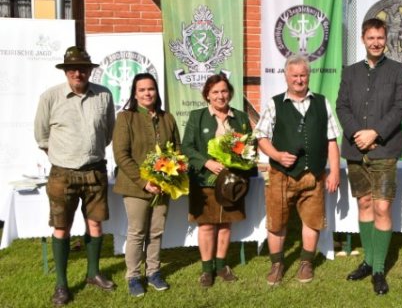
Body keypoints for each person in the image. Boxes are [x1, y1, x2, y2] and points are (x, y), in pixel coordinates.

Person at [34, 46, 116, 305]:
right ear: (66, 71)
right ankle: (62, 284)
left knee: (95, 224)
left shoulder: (103, 95)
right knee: (61, 227)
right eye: (72, 69)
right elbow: (41, 135)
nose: (78, 73)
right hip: (62, 174)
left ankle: (93, 273)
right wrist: (62, 156)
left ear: (90, 70)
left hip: (95, 170)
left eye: (83, 68)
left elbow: (109, 131)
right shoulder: (50, 97)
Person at [336, 18, 402, 295]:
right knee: (364, 203)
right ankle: (367, 260)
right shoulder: (350, 72)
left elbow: (400, 108)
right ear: (363, 39)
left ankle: (378, 268)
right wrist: (358, 133)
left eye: (380, 38)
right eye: (371, 38)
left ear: (386, 39)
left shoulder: (400, 71)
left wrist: (374, 133)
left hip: (384, 149)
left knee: (381, 207)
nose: (376, 42)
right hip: (355, 149)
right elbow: (341, 105)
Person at [255, 53, 340, 286]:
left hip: (313, 174)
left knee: (312, 221)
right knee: (277, 221)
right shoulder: (274, 103)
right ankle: (277, 264)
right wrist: (277, 155)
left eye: (303, 75)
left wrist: (335, 171)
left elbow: (331, 139)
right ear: (286, 77)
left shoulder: (322, 102)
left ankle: (305, 262)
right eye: (295, 76)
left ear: (308, 76)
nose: (299, 80)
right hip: (281, 175)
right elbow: (260, 136)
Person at [112, 73, 180, 297]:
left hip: (163, 186)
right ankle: (133, 276)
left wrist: (174, 171)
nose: (147, 93)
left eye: (150, 89)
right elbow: (121, 155)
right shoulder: (126, 118)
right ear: (135, 93)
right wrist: (144, 182)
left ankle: (153, 272)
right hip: (135, 187)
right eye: (142, 90)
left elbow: (176, 150)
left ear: (156, 91)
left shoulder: (167, 118)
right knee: (137, 232)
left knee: (156, 231)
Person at [182, 74, 253, 287]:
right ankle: (206, 270)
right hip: (205, 180)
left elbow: (250, 147)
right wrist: (206, 162)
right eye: (215, 92)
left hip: (232, 182)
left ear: (229, 93)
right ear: (207, 95)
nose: (220, 96)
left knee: (225, 224)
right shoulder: (197, 117)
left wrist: (240, 163)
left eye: (224, 91)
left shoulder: (240, 118)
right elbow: (186, 147)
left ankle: (221, 265)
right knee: (206, 226)